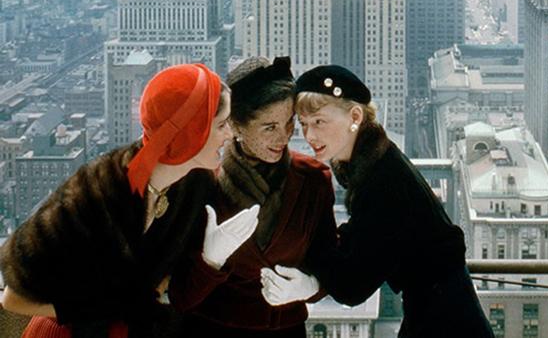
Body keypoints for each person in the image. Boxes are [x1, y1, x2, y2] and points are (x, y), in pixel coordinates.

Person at [0, 62, 259, 338]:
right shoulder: (96, 194)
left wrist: (211, 262)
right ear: (190, 133)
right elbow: (13, 298)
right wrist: (110, 305)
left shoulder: (196, 187)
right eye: (221, 125)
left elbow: (178, 293)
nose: (230, 134)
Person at [259, 64, 494, 338]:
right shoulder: (376, 162)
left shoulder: (382, 182)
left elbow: (352, 288)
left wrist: (308, 245)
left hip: (445, 322)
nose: (310, 136)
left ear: (355, 116)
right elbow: (365, 239)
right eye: (304, 124)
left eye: (319, 122)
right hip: (444, 310)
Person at [170, 56, 337, 338]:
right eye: (269, 127)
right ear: (236, 126)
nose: (283, 137)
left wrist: (311, 285)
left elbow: (329, 265)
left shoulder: (314, 180)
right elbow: (180, 296)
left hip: (287, 330)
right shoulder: (202, 183)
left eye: (289, 123)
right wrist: (210, 262)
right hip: (210, 330)